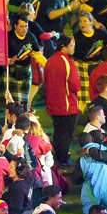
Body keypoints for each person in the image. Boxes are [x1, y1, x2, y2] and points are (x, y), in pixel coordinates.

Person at [43, 35, 80, 167]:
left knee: (58, 132)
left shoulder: (50, 61)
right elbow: (75, 85)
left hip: (53, 104)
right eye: (71, 46)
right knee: (66, 134)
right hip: (67, 104)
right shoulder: (67, 62)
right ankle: (63, 159)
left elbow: (46, 80)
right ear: (63, 47)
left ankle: (58, 157)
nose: (74, 48)